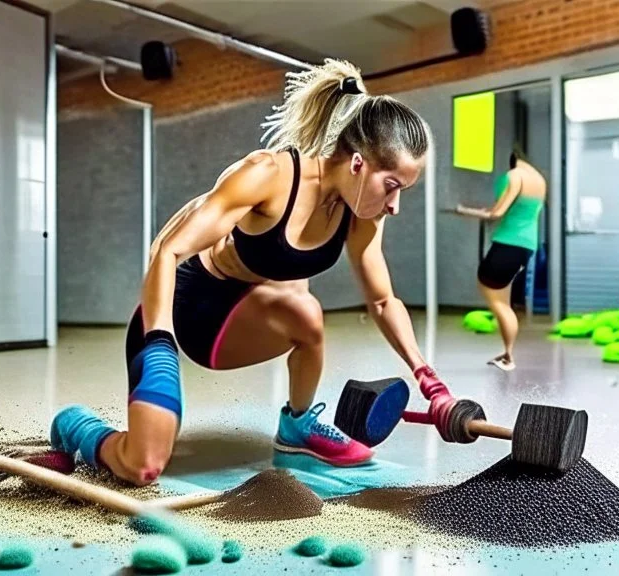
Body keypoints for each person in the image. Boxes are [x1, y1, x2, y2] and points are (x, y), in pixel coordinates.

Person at [50, 59, 457, 487]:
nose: (395, 206)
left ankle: (297, 428)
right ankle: (76, 424)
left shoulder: (362, 213)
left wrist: (427, 378)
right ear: (358, 164)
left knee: (306, 314)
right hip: (182, 305)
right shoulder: (268, 176)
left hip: (238, 320)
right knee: (143, 466)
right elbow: (167, 251)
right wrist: (159, 341)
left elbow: (381, 300)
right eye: (391, 186)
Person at [456, 146, 546, 372]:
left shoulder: (515, 176)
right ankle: (507, 355)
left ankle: (509, 357)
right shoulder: (539, 180)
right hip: (526, 246)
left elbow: (497, 213)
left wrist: (464, 211)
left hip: (508, 243)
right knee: (503, 302)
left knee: (498, 302)